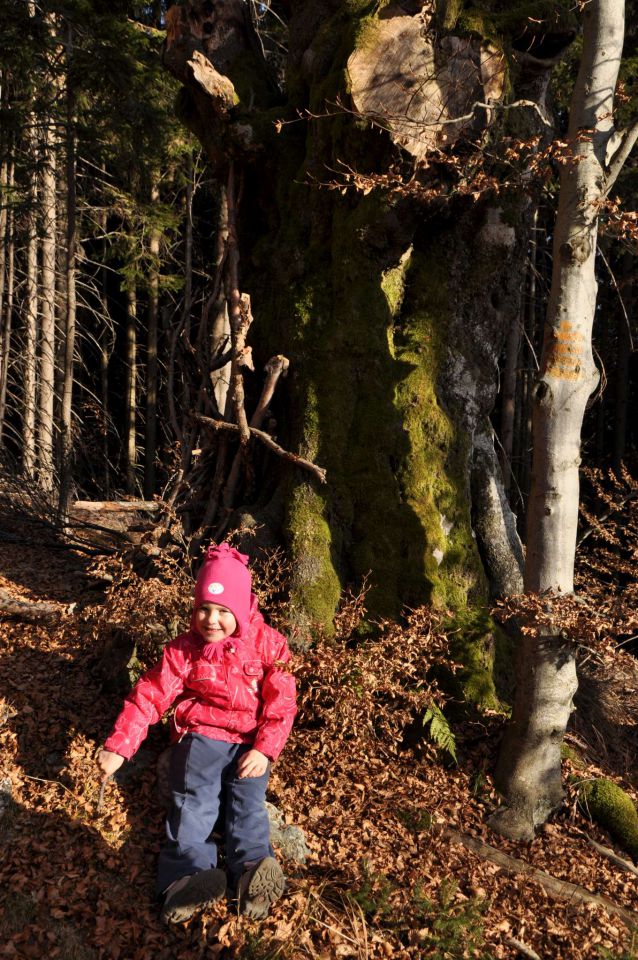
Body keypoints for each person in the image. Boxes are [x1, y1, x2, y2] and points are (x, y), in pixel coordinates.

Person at [97, 543, 297, 923]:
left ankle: (253, 874)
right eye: (204, 608)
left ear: (241, 609)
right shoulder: (184, 650)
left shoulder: (269, 644)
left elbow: (282, 702)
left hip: (248, 744)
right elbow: (151, 695)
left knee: (248, 804)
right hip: (202, 737)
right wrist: (120, 747)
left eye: (223, 611)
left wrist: (266, 750)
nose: (211, 620)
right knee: (194, 804)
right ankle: (185, 878)